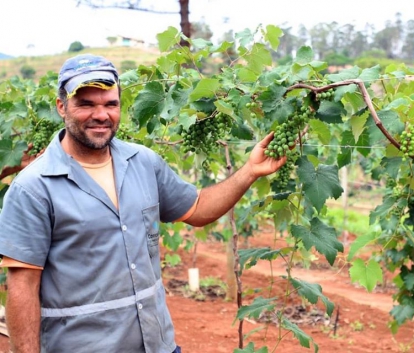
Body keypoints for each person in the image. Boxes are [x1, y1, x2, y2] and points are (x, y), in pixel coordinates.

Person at [0, 54, 286, 353]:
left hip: (157, 345)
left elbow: (198, 208)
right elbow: (22, 287)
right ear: (62, 107)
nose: (101, 115)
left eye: (110, 104)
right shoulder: (34, 187)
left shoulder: (142, 162)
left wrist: (250, 171)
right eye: (86, 104)